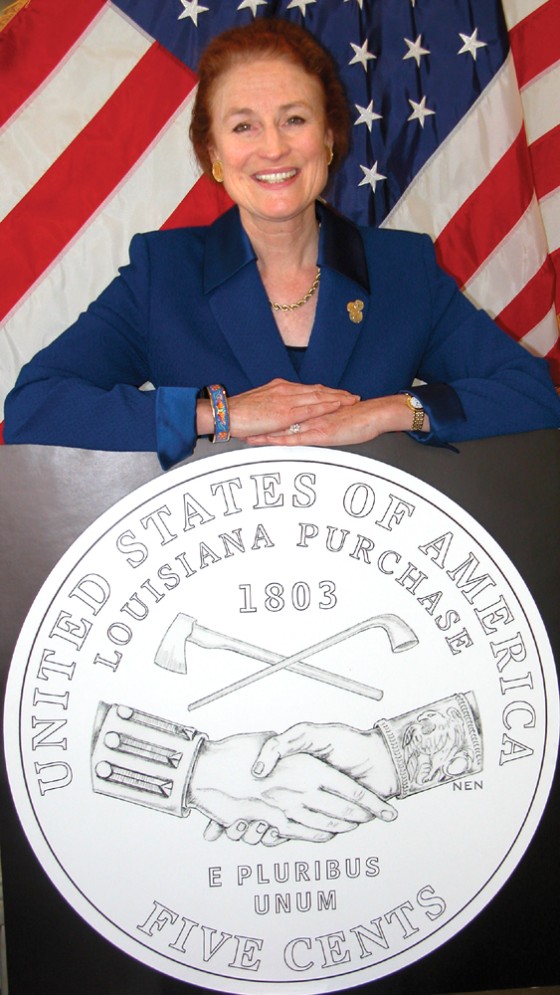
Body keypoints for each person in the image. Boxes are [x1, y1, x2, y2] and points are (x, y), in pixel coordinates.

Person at [4, 18, 560, 467]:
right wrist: (218, 414)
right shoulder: (162, 273)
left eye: (294, 119)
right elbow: (36, 406)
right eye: (243, 126)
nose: (273, 148)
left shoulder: (402, 269)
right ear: (214, 154)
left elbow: (533, 395)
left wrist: (393, 411)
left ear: (329, 136)